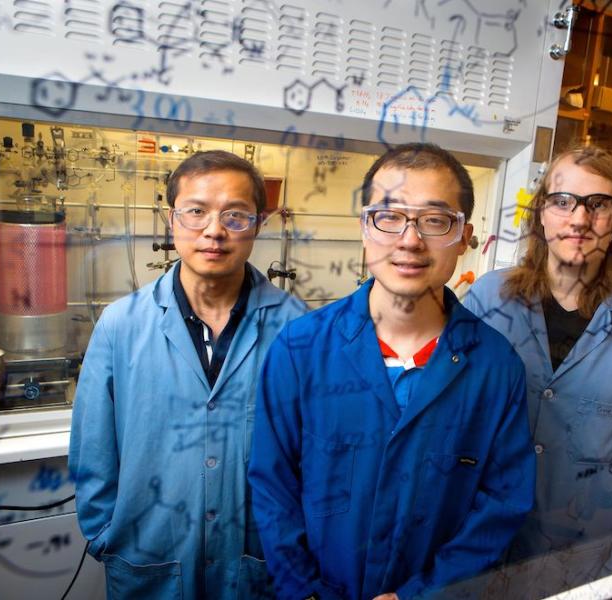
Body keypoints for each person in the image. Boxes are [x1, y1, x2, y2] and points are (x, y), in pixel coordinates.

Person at [248, 143, 535, 600]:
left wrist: (423, 594)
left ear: (465, 237)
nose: (410, 239)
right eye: (390, 217)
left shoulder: (496, 367)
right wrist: (305, 592)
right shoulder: (300, 349)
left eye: (435, 220)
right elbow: (272, 486)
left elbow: (501, 505)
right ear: (365, 228)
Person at [69, 150, 306, 599]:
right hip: (148, 559)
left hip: (257, 564)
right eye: (196, 212)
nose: (214, 231)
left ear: (259, 223)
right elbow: (92, 450)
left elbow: (313, 456)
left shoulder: (297, 328)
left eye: (236, 216)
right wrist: (105, 536)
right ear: (170, 218)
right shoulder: (121, 324)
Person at [464, 144, 612, 596]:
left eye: (598, 204)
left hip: (575, 567)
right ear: (541, 214)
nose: (579, 220)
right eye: (563, 202)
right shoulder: (488, 301)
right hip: (474, 552)